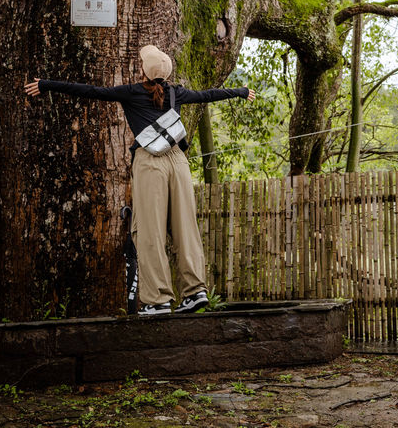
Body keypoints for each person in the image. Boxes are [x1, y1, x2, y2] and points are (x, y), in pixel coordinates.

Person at [24, 44, 255, 316]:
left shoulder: (131, 91)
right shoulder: (175, 92)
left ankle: (158, 300)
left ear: (143, 71)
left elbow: (91, 91)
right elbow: (208, 95)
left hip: (150, 162)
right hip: (179, 162)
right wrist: (240, 92)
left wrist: (47, 84)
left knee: (150, 230)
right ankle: (195, 292)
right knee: (185, 228)